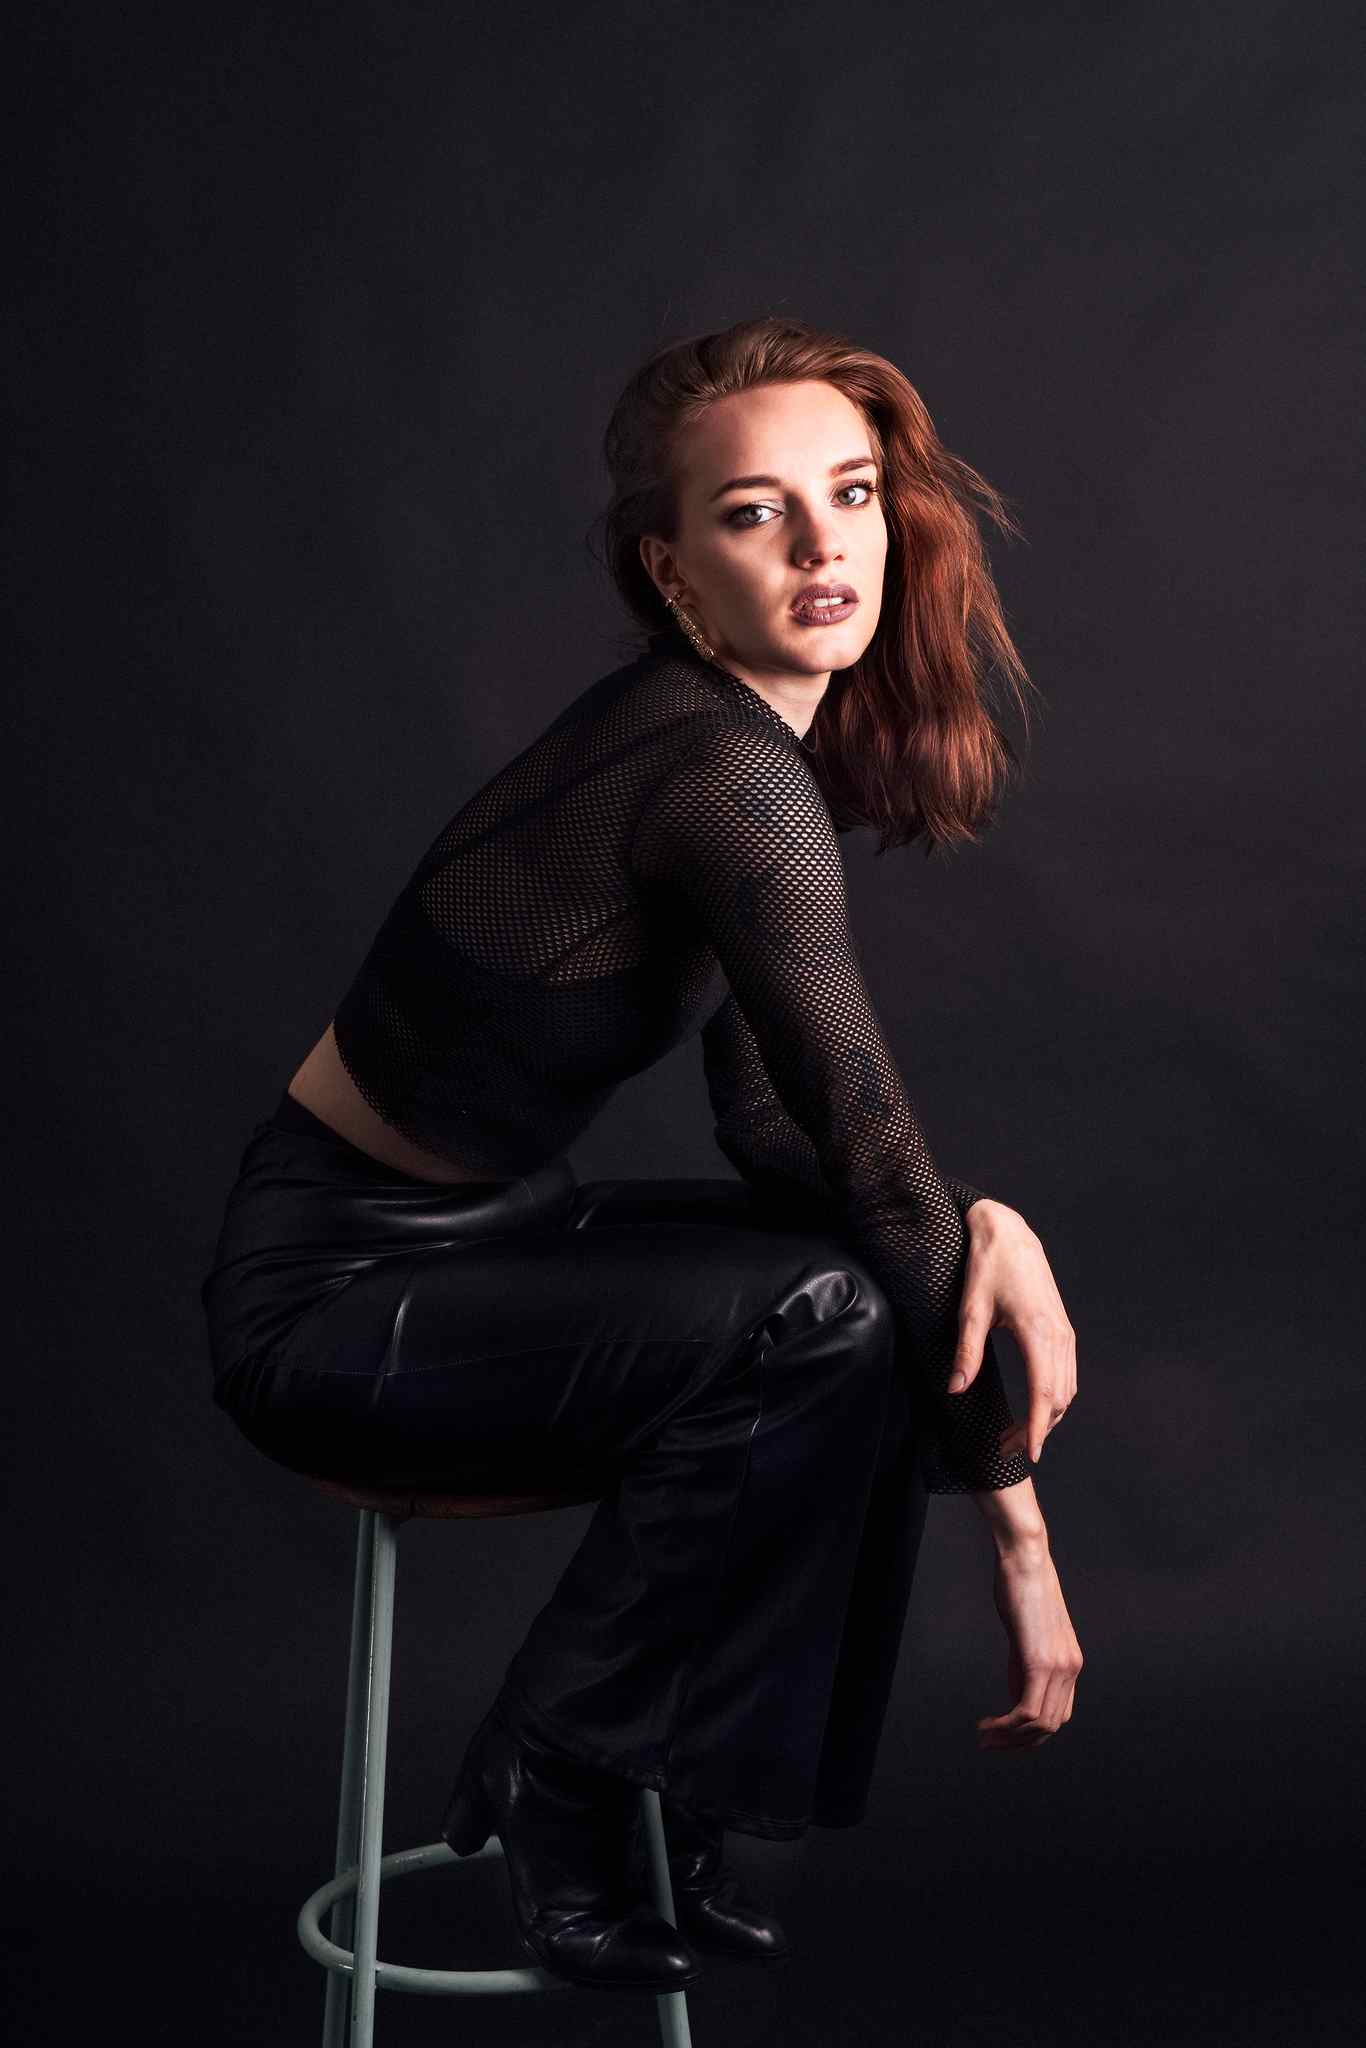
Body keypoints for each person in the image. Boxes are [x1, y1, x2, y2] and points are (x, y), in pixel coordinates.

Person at [199, 314, 1083, 1994]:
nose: (822, 547)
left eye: (849, 495)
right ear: (674, 577)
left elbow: (780, 1127)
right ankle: (570, 1767)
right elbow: (860, 1142)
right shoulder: (714, 775)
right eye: (755, 513)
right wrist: (1020, 1543)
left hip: (486, 1238)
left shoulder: (735, 751)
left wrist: (979, 1222)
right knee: (830, 1310)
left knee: (852, 1293)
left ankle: (660, 1781)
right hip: (333, 1296)